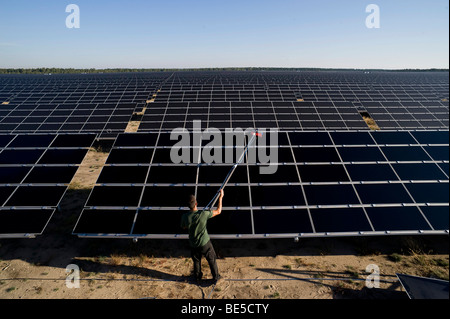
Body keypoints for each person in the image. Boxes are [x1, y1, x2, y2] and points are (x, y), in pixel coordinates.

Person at [181, 189, 224, 283]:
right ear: (196, 203)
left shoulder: (185, 217)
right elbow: (218, 211)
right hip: (205, 243)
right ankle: (215, 277)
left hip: (193, 243)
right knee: (211, 259)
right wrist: (221, 197)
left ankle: (197, 277)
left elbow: (184, 227)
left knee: (196, 261)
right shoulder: (203, 214)